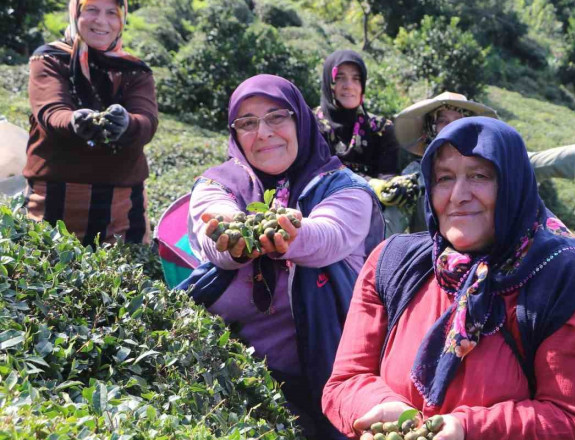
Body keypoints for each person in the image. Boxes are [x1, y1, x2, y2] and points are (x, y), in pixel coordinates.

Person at [323, 117, 575, 440]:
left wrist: (469, 430)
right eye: (444, 178)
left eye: (479, 176)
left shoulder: (566, 281)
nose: (458, 195)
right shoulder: (392, 262)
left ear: (512, 184)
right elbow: (346, 381)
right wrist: (384, 409)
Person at [184, 74, 384, 439]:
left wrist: (290, 233)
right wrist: (233, 232)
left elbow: (329, 236)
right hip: (230, 374)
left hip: (330, 373)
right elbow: (213, 227)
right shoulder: (217, 183)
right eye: (247, 122)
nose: (263, 132)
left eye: (277, 116)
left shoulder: (345, 188)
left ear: (301, 121)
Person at [387, 92, 575, 232]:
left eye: (460, 119)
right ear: (430, 129)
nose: (453, 127)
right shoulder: (414, 176)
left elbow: (538, 161)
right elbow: (392, 229)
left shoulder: (491, 166)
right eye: (443, 120)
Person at [24, 0, 157, 245]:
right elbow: (50, 110)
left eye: (111, 13)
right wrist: (74, 122)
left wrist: (127, 124)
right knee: (48, 269)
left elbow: (147, 120)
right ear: (76, 14)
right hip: (54, 198)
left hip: (121, 205)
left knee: (122, 278)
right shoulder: (50, 59)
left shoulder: (135, 70)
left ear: (122, 20)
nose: (101, 21)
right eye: (92, 10)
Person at [315, 49, 399, 179]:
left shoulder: (381, 129)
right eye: (339, 78)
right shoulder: (311, 125)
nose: (349, 86)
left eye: (356, 78)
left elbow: (387, 175)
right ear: (328, 82)